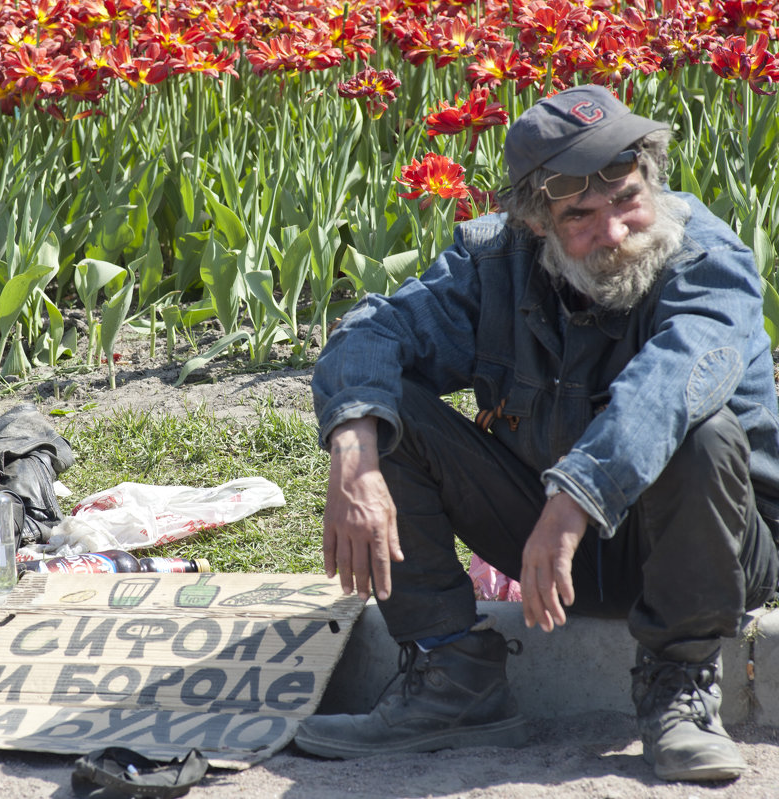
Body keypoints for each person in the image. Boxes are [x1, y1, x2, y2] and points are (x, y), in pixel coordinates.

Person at [294, 85, 779, 783]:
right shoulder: (497, 264)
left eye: (627, 199)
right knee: (380, 406)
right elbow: (375, 331)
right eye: (579, 215)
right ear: (533, 224)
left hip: (716, 547)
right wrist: (353, 447)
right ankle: (452, 676)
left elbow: (675, 382)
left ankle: (680, 689)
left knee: (700, 430)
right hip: (554, 547)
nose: (613, 233)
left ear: (653, 178)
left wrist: (575, 493)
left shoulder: (707, 259)